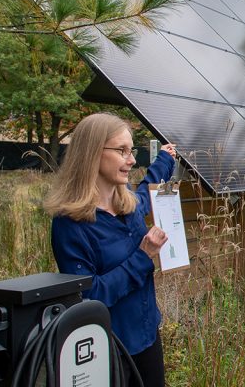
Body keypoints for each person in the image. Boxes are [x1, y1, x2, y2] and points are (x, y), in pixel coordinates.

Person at [44, 113, 178, 387]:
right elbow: (88, 296)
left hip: (147, 334)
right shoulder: (70, 224)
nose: (131, 160)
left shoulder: (127, 204)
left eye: (131, 151)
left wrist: (165, 159)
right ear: (93, 153)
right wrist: (143, 256)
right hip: (108, 349)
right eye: (122, 151)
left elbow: (143, 193)